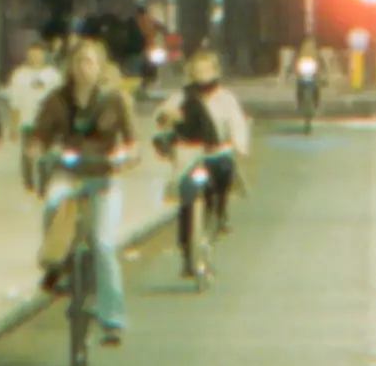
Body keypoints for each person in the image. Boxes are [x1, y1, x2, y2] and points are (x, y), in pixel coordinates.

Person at [27, 32, 142, 344]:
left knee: (103, 245)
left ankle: (113, 318)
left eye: (90, 61)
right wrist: (37, 151)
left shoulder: (114, 100)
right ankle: (56, 264)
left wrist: (126, 156)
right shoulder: (57, 100)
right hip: (69, 174)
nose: (84, 67)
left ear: (100, 66)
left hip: (103, 177)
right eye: (78, 61)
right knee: (53, 204)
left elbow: (132, 142)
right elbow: (38, 137)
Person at [157, 47, 251, 278]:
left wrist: (239, 145)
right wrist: (168, 118)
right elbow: (163, 114)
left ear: (215, 72)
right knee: (186, 201)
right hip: (190, 156)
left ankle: (220, 213)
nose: (202, 76)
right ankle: (187, 252)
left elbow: (237, 124)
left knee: (224, 174)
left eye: (206, 71)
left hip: (217, 154)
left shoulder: (225, 98)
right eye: (197, 72)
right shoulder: (183, 97)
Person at [3, 30, 63, 188]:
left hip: (47, 123)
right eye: (32, 54)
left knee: (46, 153)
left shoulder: (53, 76)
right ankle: (29, 181)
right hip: (27, 121)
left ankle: (45, 181)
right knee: (27, 153)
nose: (35, 57)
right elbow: (14, 102)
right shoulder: (19, 75)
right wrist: (14, 126)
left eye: (38, 54)